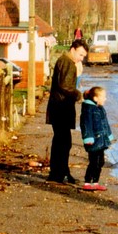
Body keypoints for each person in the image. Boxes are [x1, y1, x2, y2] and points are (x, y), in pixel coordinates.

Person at [46, 38, 88, 184]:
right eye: (81, 54)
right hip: (61, 108)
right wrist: (79, 95)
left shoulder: (65, 61)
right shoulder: (67, 63)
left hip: (59, 107)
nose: (81, 58)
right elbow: (65, 85)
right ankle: (58, 174)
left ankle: (60, 173)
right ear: (73, 49)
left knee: (62, 141)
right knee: (63, 142)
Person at [80, 86, 113, 192]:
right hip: (93, 141)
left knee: (101, 162)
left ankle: (95, 182)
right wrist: (88, 138)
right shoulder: (88, 109)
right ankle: (87, 182)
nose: (105, 99)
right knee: (93, 162)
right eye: (103, 97)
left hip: (101, 140)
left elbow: (105, 124)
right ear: (95, 98)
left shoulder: (100, 108)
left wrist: (109, 135)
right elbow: (86, 125)